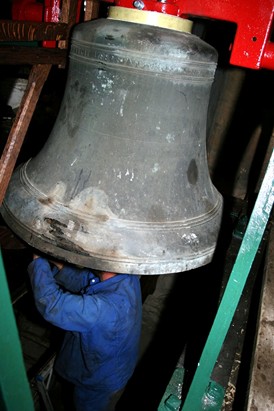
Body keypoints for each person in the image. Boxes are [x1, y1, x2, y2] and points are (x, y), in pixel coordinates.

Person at [27, 254, 142, 411]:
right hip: (119, 363)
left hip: (99, 381)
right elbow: (89, 281)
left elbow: (52, 304)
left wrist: (38, 262)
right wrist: (60, 264)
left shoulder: (102, 310)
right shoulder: (127, 276)